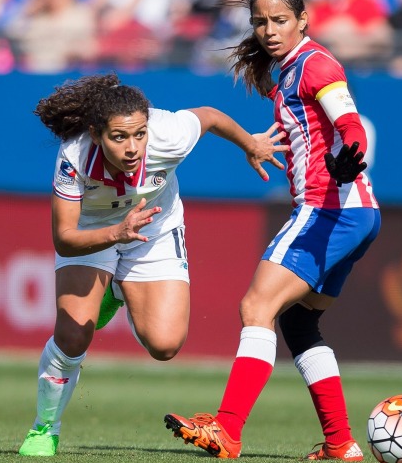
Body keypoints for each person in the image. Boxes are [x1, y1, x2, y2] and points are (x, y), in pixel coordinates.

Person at [16, 72, 288, 457]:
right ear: (96, 134)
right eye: (119, 137)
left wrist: (251, 144)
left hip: (155, 228)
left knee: (165, 345)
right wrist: (116, 233)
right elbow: (64, 237)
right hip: (94, 233)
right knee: (74, 336)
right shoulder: (74, 155)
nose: (132, 147)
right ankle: (45, 427)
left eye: (139, 134)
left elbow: (209, 115)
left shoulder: (168, 133)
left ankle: (113, 287)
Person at [163, 0, 380, 460]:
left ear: (303, 19)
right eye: (260, 22)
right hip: (356, 213)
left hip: (329, 208)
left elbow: (350, 121)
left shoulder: (317, 65)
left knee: (255, 307)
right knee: (300, 326)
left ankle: (227, 429)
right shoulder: (289, 71)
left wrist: (352, 154)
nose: (269, 30)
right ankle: (341, 444)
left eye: (279, 20)